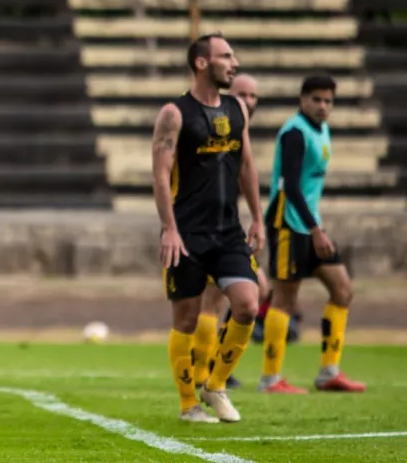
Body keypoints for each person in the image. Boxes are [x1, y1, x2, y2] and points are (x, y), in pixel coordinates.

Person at [151, 33, 263, 424]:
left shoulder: (236, 110)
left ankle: (215, 385)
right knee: (185, 319)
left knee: (249, 304)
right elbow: (161, 175)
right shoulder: (174, 114)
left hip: (228, 231)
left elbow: (246, 166)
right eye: (226, 56)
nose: (234, 63)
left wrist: (258, 217)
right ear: (202, 63)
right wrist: (169, 228)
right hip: (187, 234)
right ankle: (188, 405)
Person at [257, 74, 366, 394]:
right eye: (316, 100)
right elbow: (290, 186)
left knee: (343, 289)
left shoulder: (323, 130)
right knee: (285, 300)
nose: (323, 106)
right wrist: (316, 230)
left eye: (328, 101)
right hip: (288, 224)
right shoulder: (294, 132)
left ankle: (329, 371)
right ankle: (270, 378)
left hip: (311, 224)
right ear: (303, 99)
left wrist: (316, 227)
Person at [191, 73, 269, 391]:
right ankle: (204, 372)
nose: (248, 102)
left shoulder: (238, 132)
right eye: (242, 95)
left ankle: (213, 365)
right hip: (207, 229)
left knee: (251, 292)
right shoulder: (212, 128)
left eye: (253, 96)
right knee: (213, 300)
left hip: (229, 228)